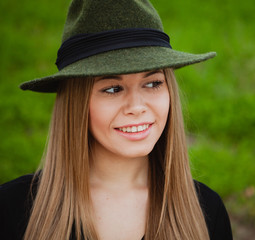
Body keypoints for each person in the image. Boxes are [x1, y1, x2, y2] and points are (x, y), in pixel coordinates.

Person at [0, 0, 233, 239]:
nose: (137, 107)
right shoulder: (11, 210)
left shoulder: (206, 211)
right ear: (76, 104)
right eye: (112, 89)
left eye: (153, 83)